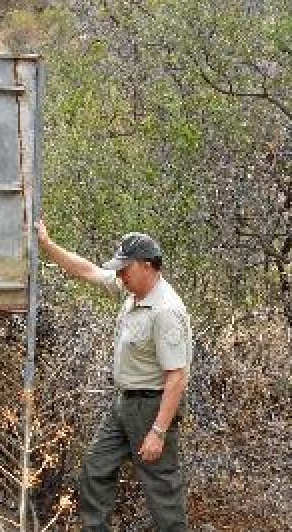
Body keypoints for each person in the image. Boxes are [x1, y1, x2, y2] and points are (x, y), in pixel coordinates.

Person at [36, 221, 193, 532]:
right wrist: (47, 245)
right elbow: (88, 271)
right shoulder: (133, 290)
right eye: (118, 269)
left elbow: (177, 377)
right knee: (96, 469)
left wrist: (158, 432)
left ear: (147, 266)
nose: (120, 275)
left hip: (152, 406)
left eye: (125, 269)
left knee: (162, 490)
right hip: (124, 404)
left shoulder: (166, 311)